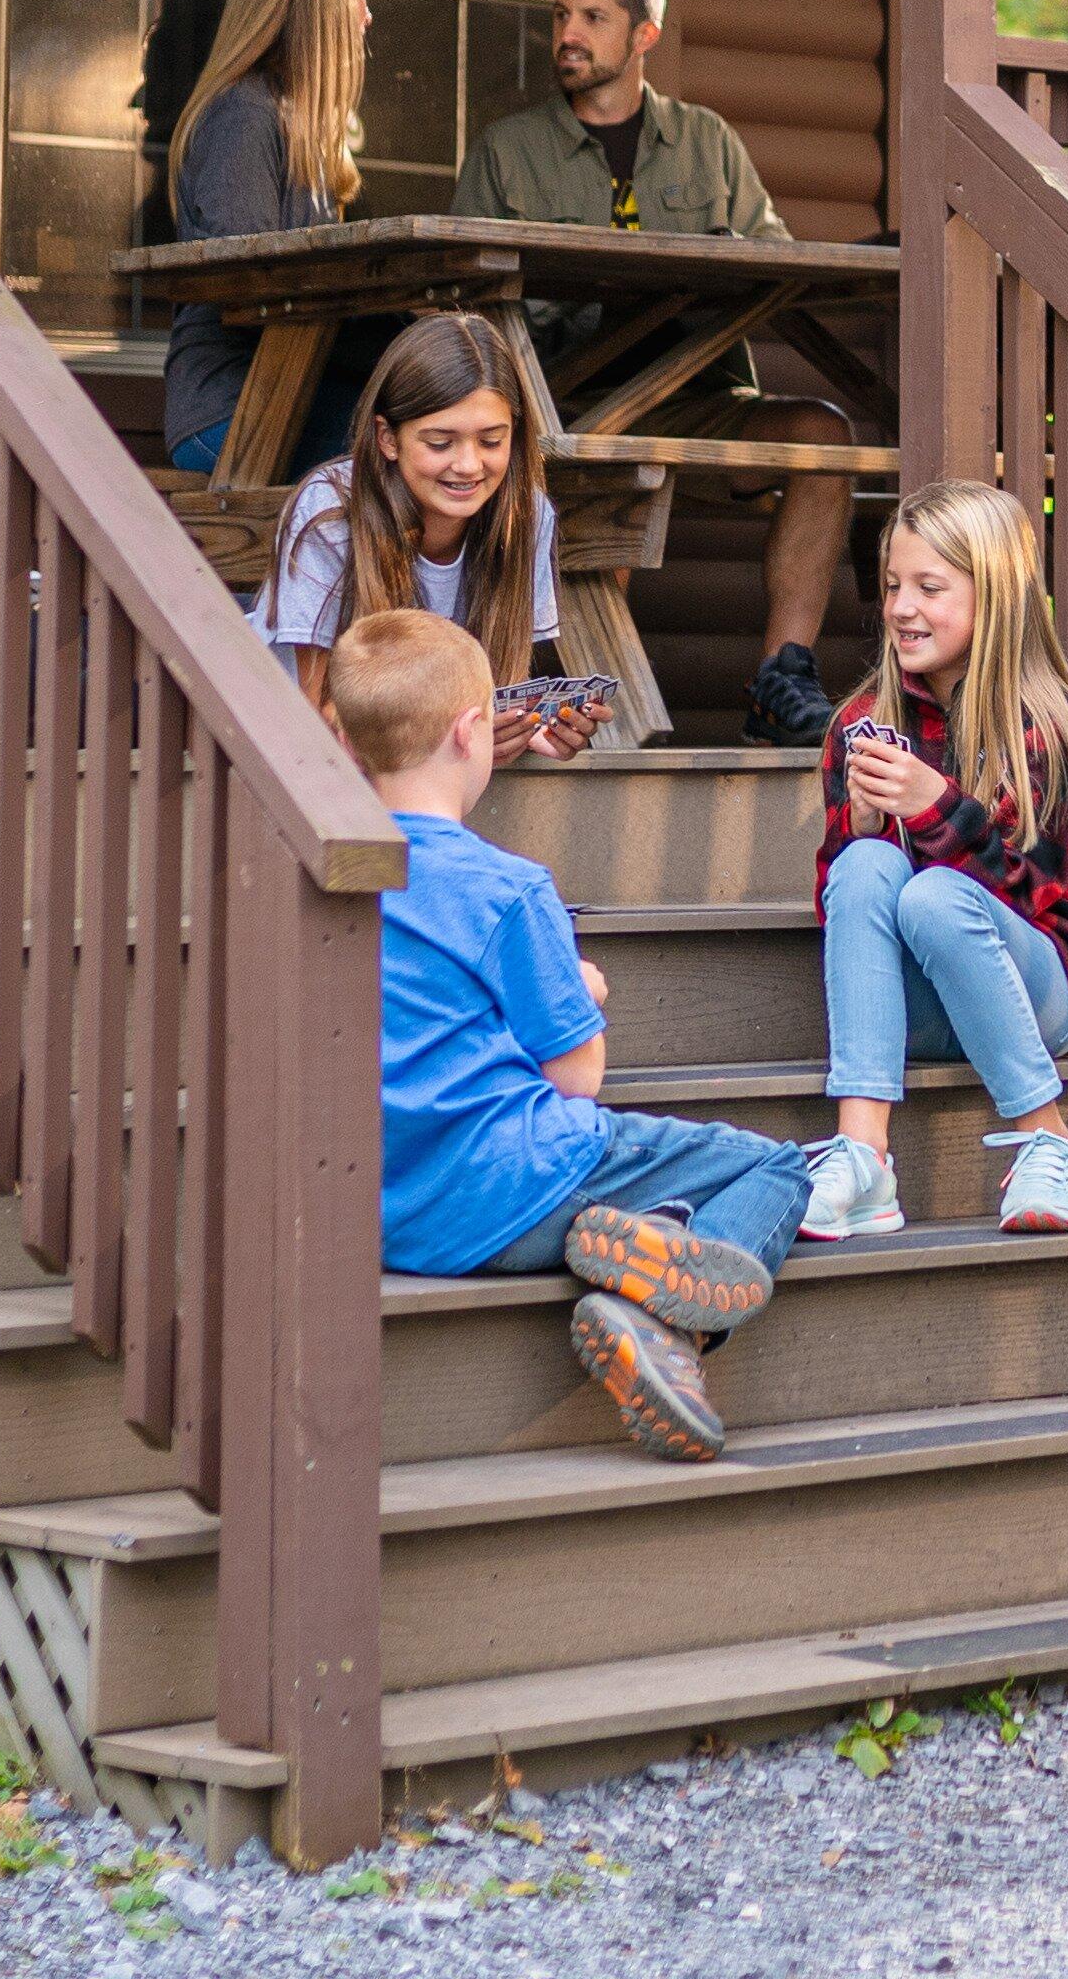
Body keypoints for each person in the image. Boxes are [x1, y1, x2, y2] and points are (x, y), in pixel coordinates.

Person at [323, 605, 802, 1462]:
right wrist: (572, 986)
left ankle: (653, 1272)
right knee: (776, 1165)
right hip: (518, 1195)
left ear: (350, 745)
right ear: (474, 733)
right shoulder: (506, 888)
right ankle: (666, 1318)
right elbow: (577, 1076)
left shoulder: (325, 879)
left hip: (382, 1213)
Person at [450, 0, 864, 745]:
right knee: (610, 468)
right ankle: (596, 718)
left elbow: (773, 255)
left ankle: (782, 680)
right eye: (561, 17)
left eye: (593, 18)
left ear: (645, 33)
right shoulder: (509, 150)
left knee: (827, 439)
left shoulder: (706, 141)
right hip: (566, 406)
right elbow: (466, 305)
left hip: (701, 398)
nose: (568, 34)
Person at [796, 480, 1068, 1245]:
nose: (903, 608)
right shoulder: (863, 721)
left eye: (931, 588)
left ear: (996, 597)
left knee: (937, 895)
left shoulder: (1048, 728)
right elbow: (844, 911)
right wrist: (864, 829)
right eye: (894, 586)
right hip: (917, 1005)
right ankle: (864, 1156)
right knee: (865, 871)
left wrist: (936, 805)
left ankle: (1049, 1140)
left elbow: (1034, 890)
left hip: (1037, 994)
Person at [156, 0, 367, 480]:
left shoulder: (303, 130)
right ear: (318, 6)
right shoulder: (245, 115)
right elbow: (249, 289)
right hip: (232, 410)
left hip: (295, 394)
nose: (369, 17)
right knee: (437, 437)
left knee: (461, 426)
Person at [268, 311, 561, 679]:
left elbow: (502, 689)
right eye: (440, 443)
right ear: (387, 438)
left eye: (491, 441)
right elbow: (317, 715)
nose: (469, 465)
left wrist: (526, 730)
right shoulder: (329, 510)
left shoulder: (527, 512)